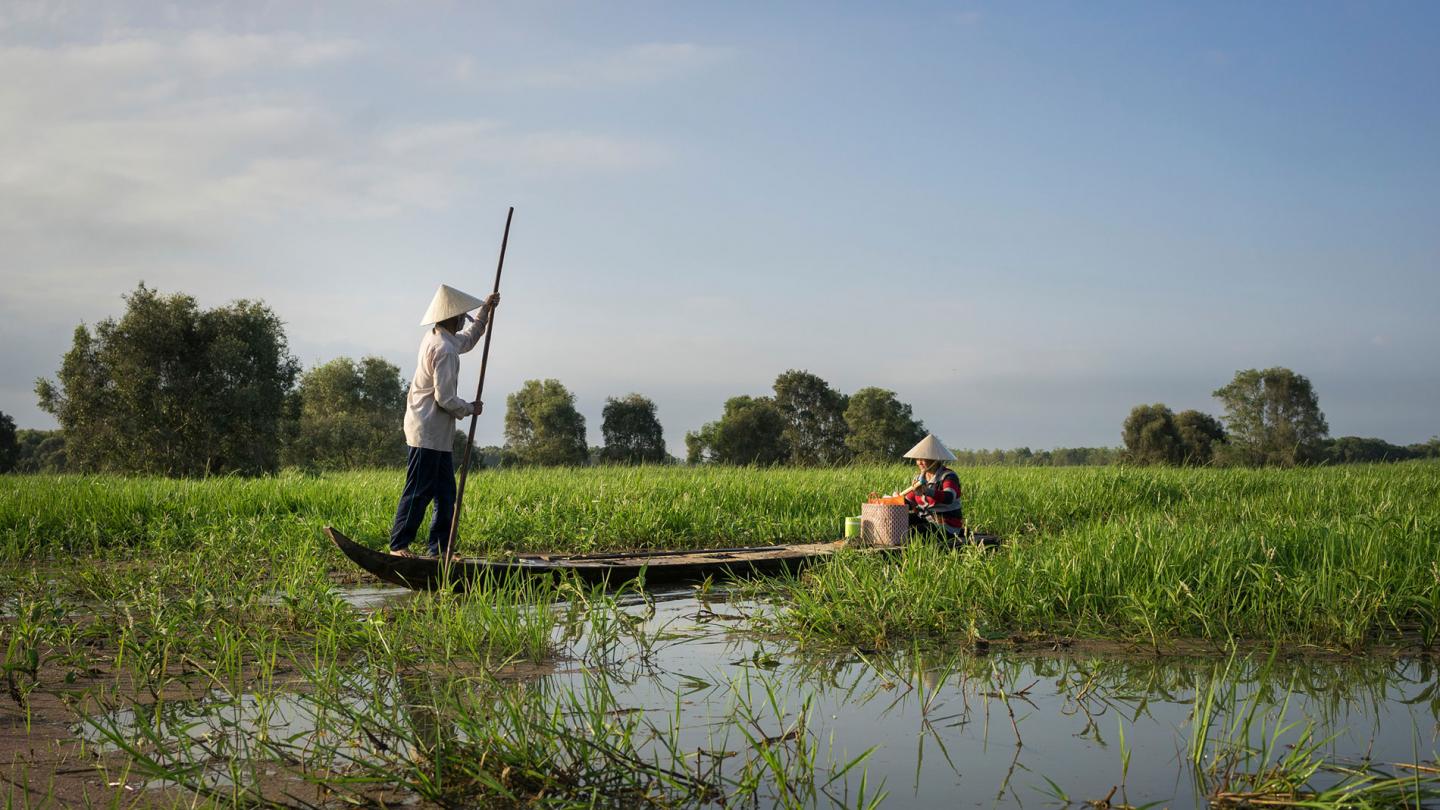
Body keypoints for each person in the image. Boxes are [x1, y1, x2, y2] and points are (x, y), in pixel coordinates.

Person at [389, 284, 499, 559]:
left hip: (436, 433)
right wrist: (470, 408)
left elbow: (469, 339)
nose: (465, 319)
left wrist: (486, 311)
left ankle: (439, 550)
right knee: (419, 490)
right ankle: (398, 546)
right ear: (453, 317)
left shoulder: (438, 337)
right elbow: (446, 399)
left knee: (446, 494)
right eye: (462, 315)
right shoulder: (444, 349)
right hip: (426, 429)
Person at [898, 434, 966, 540]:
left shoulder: (948, 476)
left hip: (946, 525)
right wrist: (896, 500)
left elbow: (949, 497)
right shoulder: (919, 478)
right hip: (925, 519)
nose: (919, 462)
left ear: (935, 460)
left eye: (923, 459)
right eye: (918, 459)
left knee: (914, 532)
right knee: (899, 522)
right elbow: (910, 502)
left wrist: (927, 491)